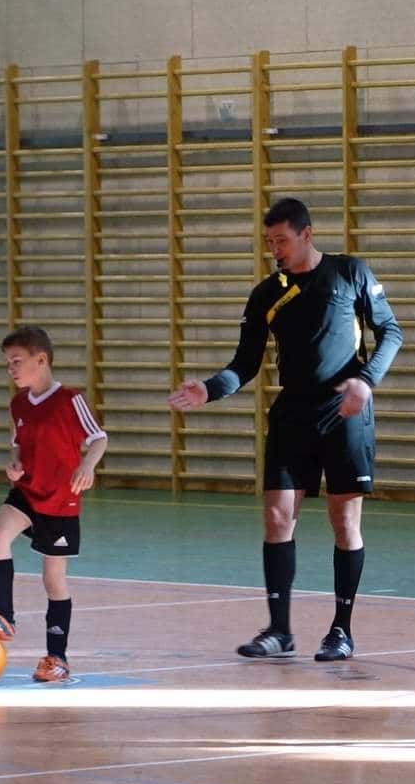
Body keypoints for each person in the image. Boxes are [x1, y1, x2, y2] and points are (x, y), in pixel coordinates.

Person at [167, 197, 402, 661]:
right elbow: (244, 363)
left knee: (344, 522)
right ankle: (279, 631)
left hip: (345, 413)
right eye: (269, 242)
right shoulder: (266, 294)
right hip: (292, 414)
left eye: (282, 240)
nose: (275, 249)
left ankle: (341, 630)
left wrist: (366, 380)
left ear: (306, 234)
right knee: (277, 518)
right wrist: (209, 389)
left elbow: (391, 332)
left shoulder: (349, 273)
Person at [0, 326, 107, 683]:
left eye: (17, 361)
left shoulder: (70, 400)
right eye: (7, 362)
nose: (11, 368)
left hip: (60, 501)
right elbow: (18, 444)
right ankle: (3, 617)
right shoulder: (18, 404)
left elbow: (99, 438)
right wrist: (14, 465)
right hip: (27, 491)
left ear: (40, 360)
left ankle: (57, 659)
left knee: (53, 580)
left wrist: (87, 465)